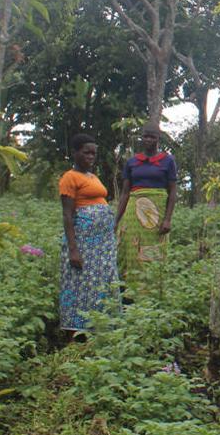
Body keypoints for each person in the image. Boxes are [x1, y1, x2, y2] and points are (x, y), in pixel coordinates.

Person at [58, 134, 121, 334]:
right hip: (84, 243)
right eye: (86, 152)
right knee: (80, 283)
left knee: (101, 281)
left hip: (101, 245)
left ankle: (101, 326)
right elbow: (67, 216)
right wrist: (73, 250)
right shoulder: (69, 177)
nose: (91, 157)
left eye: (93, 153)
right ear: (75, 153)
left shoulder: (92, 177)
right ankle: (76, 330)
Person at [115, 123, 177, 282]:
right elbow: (125, 192)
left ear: (158, 139)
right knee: (130, 247)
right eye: (145, 136)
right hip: (133, 213)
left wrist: (168, 219)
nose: (148, 139)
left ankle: (152, 288)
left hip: (156, 215)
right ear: (141, 138)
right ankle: (129, 291)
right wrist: (116, 220)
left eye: (152, 136)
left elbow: (172, 192)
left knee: (154, 251)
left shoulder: (168, 161)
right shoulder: (132, 162)